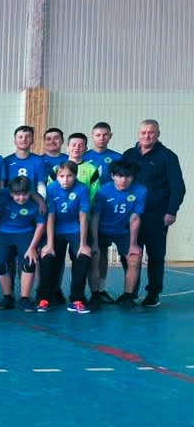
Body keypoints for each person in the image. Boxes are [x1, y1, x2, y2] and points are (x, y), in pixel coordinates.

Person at [122, 119, 186, 307]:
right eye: (143, 132)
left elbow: (178, 187)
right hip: (131, 215)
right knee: (131, 254)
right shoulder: (129, 155)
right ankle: (130, 292)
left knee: (156, 256)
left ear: (158, 134)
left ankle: (153, 293)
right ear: (138, 134)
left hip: (156, 215)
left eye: (151, 132)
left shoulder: (168, 156)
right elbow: (120, 182)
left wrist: (171, 211)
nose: (147, 136)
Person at [90, 159, 147, 310]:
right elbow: (95, 216)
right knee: (95, 256)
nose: (123, 180)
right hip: (102, 230)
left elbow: (135, 218)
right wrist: (94, 242)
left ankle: (128, 296)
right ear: (112, 176)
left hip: (124, 232)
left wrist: (133, 244)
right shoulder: (103, 191)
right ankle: (96, 294)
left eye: (128, 176)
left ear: (133, 177)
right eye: (120, 176)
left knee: (134, 258)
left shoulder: (141, 190)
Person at [37, 161, 92, 313]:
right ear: (57, 177)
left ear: (75, 176)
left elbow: (83, 216)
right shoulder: (51, 188)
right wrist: (49, 244)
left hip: (75, 228)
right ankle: (44, 298)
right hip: (56, 229)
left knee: (83, 256)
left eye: (69, 176)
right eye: (62, 176)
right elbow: (50, 216)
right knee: (47, 256)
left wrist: (83, 244)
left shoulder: (82, 189)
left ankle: (77, 299)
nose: (65, 180)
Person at [0, 176, 46, 311]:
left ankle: (25, 299)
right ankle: (7, 297)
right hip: (4, 235)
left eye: (24, 194)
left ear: (30, 193)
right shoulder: (4, 195)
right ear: (11, 193)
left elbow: (41, 225)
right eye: (17, 195)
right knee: (0, 264)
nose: (21, 198)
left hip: (25, 234)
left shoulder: (36, 203)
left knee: (29, 263)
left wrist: (32, 247)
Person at [83, 122, 121, 304]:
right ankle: (80, 291)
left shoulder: (117, 158)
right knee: (84, 251)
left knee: (102, 251)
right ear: (93, 136)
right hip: (85, 211)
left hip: (106, 212)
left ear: (110, 136)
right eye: (98, 135)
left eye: (105, 134)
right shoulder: (84, 157)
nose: (101, 138)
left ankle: (100, 289)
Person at [2, 125, 47, 197]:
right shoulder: (6, 161)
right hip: (10, 200)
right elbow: (2, 185)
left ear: (32, 140)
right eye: (20, 137)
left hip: (32, 200)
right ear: (14, 141)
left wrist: (41, 199)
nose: (24, 139)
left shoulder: (39, 161)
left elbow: (41, 185)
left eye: (27, 137)